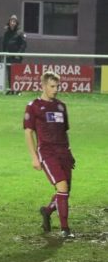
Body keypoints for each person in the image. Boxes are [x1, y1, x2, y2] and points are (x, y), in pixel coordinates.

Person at [23, 72, 75, 239]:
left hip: (63, 153)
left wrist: (70, 152)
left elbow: (64, 132)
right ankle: (65, 229)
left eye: (57, 86)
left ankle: (47, 211)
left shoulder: (61, 106)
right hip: (47, 153)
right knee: (62, 188)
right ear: (43, 86)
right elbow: (28, 133)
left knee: (65, 191)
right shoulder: (34, 106)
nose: (56, 89)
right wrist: (34, 157)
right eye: (52, 86)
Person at [2, 14, 27, 95]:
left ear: (16, 23)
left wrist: (19, 54)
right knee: (9, 73)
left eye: (14, 21)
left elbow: (23, 45)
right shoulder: (7, 33)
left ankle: (18, 90)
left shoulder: (20, 33)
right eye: (11, 21)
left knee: (17, 74)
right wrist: (4, 53)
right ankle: (11, 89)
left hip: (17, 57)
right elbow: (4, 44)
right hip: (9, 56)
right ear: (9, 22)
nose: (12, 23)